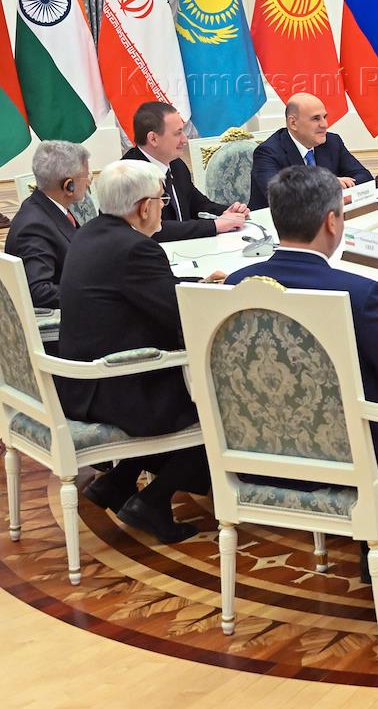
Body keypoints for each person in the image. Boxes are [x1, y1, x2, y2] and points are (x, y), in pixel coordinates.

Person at [225, 166, 378, 594]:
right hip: (363, 459)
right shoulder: (357, 292)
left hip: (265, 460)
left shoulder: (235, 287)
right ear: (332, 221)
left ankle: (371, 545)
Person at [57, 160, 224, 543]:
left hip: (81, 382)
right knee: (219, 403)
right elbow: (180, 315)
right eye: (161, 200)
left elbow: (145, 289)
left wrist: (197, 284)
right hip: (118, 387)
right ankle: (153, 500)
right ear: (144, 207)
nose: (164, 206)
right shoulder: (136, 249)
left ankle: (117, 481)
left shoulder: (91, 233)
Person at [122, 102, 248, 242]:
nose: (184, 140)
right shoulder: (128, 176)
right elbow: (153, 229)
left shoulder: (176, 164)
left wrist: (227, 213)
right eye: (178, 133)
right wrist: (214, 226)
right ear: (153, 138)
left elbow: (198, 204)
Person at [4, 141, 90, 308]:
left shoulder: (48, 204)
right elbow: (39, 291)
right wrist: (97, 293)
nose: (88, 183)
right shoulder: (34, 228)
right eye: (86, 177)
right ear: (68, 186)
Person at [249, 93, 372, 209]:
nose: (324, 124)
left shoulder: (332, 142)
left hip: (325, 216)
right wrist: (327, 185)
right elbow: (279, 196)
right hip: (275, 222)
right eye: (316, 119)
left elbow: (365, 177)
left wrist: (336, 187)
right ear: (293, 123)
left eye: (324, 117)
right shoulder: (267, 152)